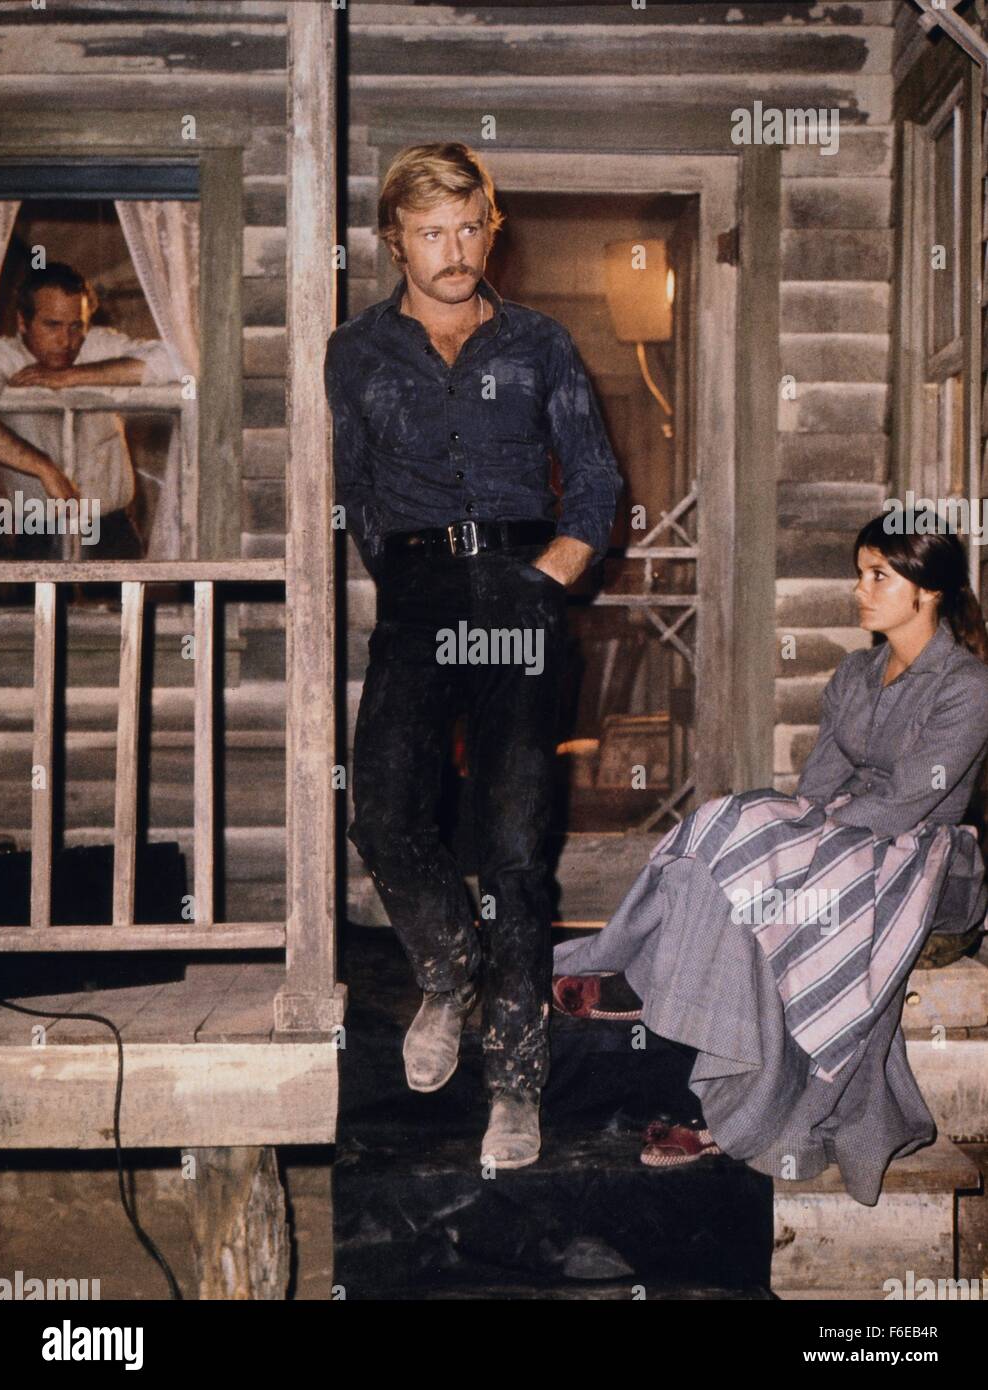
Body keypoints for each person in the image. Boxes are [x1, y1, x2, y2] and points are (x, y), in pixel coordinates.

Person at [325, 142, 623, 1168]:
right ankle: (447, 968)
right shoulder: (355, 351)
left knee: (513, 844)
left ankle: (515, 1083)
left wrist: (546, 578)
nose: (453, 252)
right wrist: (404, 579)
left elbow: (594, 478)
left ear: (491, 227)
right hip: (417, 597)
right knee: (384, 813)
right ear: (394, 239)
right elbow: (356, 489)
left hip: (519, 593)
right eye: (430, 232)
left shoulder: (540, 343)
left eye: (469, 228)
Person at [553, 514, 988, 1206]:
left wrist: (807, 836)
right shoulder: (856, 672)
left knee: (779, 866)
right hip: (847, 835)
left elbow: (911, 803)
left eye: (879, 575)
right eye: (858, 573)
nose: (859, 590)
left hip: (930, 855)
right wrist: (797, 830)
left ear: (928, 591)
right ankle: (641, 969)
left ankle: (718, 1072)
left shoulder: (965, 684)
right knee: (735, 827)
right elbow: (819, 781)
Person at [0, 261, 177, 560]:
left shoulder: (97, 346)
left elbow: (175, 360)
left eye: (76, 326)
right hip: (36, 531)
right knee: (39, 609)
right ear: (23, 322)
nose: (66, 341)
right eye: (52, 325)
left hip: (111, 528)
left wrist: (72, 376)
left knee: (127, 608)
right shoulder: (3, 356)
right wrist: (43, 467)